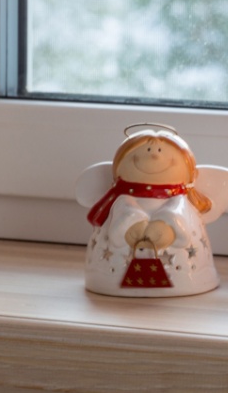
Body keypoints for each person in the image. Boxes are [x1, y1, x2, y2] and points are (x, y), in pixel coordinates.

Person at [84, 126, 220, 296]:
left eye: (160, 151)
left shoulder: (180, 200)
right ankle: (107, 280)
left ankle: (189, 279)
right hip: (110, 274)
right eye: (148, 150)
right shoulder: (122, 199)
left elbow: (179, 216)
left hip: (186, 270)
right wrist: (132, 221)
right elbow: (123, 212)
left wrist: (168, 223)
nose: (155, 156)